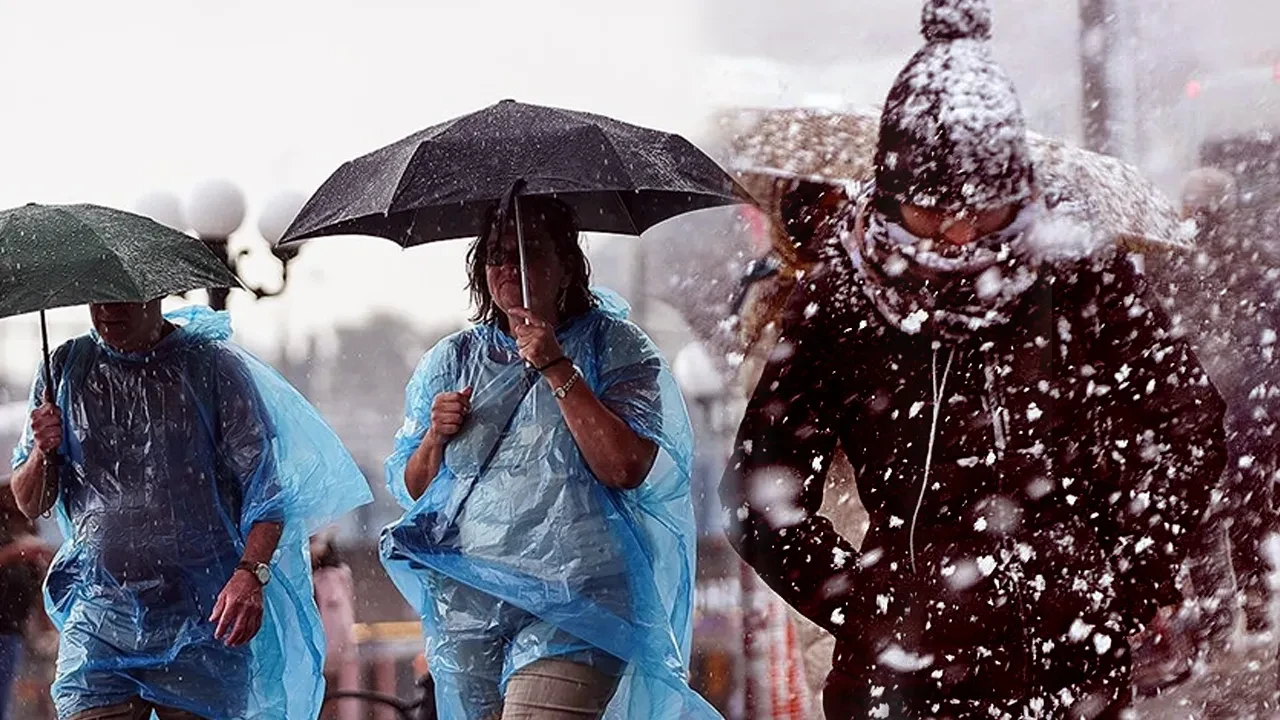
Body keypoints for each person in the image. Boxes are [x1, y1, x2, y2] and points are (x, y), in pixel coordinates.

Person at [718, 1, 1227, 718]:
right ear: (892, 194)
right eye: (931, 208)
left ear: (1017, 188)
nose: (959, 233)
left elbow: (1186, 423)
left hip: (1070, 666)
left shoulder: (1078, 273)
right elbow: (757, 496)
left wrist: (1126, 577)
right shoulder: (843, 296)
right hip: (903, 682)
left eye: (984, 210)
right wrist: (868, 605)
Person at [380, 196, 716, 719]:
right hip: (471, 602)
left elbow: (625, 467)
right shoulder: (454, 359)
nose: (508, 266)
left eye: (528, 251)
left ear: (565, 267)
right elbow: (418, 489)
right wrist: (433, 439)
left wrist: (557, 367)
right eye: (495, 255)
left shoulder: (615, 346)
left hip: (578, 599)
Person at [9, 301, 372, 720]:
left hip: (203, 617)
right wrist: (43, 450)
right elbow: (31, 500)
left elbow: (266, 495)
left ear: (155, 293)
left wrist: (250, 574)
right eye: (98, 297)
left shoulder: (212, 370)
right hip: (101, 615)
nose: (107, 309)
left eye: (122, 296)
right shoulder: (66, 369)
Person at [1143, 168, 1280, 660]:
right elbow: (1270, 341)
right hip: (1248, 414)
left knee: (1201, 518)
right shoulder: (1256, 256)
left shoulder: (1166, 258)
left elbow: (1156, 334)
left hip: (1194, 413)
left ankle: (1216, 620)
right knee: (1248, 515)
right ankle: (1253, 597)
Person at [0, 484, 52, 720]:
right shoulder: (9, 539)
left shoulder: (27, 532)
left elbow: (38, 586)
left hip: (14, 629)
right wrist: (19, 551)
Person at [310, 530, 357, 720]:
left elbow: (343, 614)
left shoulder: (334, 576)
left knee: (332, 697)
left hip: (332, 649)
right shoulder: (310, 578)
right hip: (322, 650)